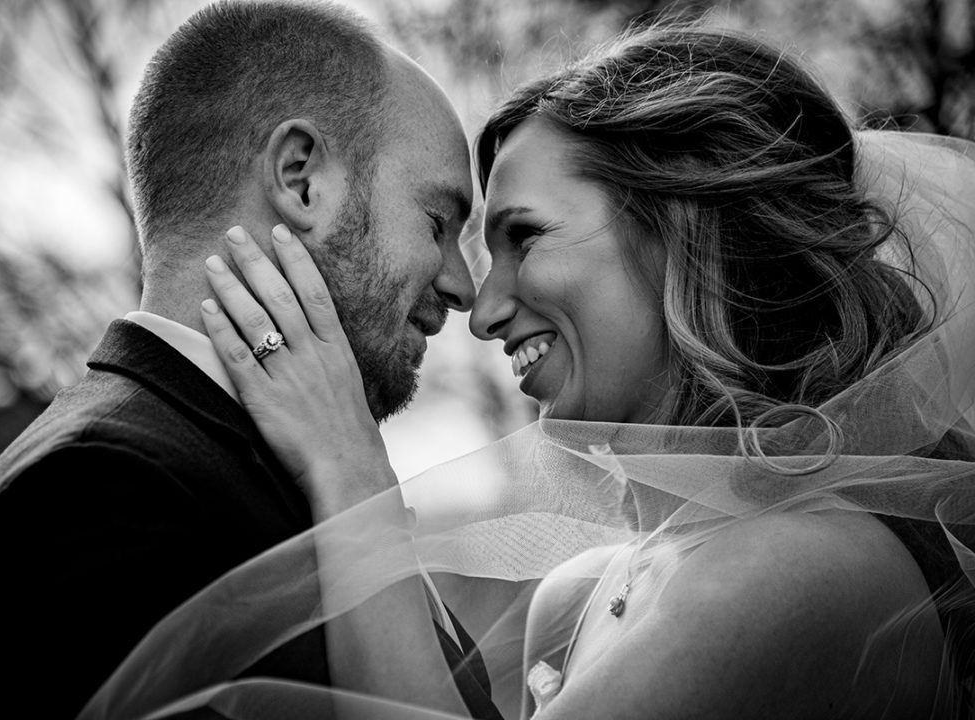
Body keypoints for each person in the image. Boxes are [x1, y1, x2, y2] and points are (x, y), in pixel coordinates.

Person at [81, 21, 975, 720]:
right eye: (461, 237)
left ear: (686, 240)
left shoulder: (805, 568)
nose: (482, 302)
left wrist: (352, 475)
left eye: (525, 238)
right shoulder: (581, 595)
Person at [0, 2, 504, 718]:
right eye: (437, 222)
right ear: (301, 176)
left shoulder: (293, 462)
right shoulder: (97, 495)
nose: (463, 288)